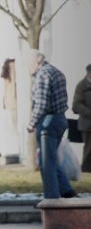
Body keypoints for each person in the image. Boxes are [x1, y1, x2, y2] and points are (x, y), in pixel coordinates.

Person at [28, 53, 77, 199]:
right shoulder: (57, 72)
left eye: (29, 64)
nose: (29, 68)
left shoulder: (42, 75)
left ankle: (51, 200)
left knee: (46, 164)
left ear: (37, 62)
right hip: (60, 119)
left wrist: (31, 123)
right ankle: (67, 191)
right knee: (51, 158)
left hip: (48, 121)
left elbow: (42, 104)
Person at [72, 63, 91, 173]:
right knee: (88, 149)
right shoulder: (81, 86)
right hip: (87, 124)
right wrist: (89, 112)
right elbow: (76, 105)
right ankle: (85, 171)